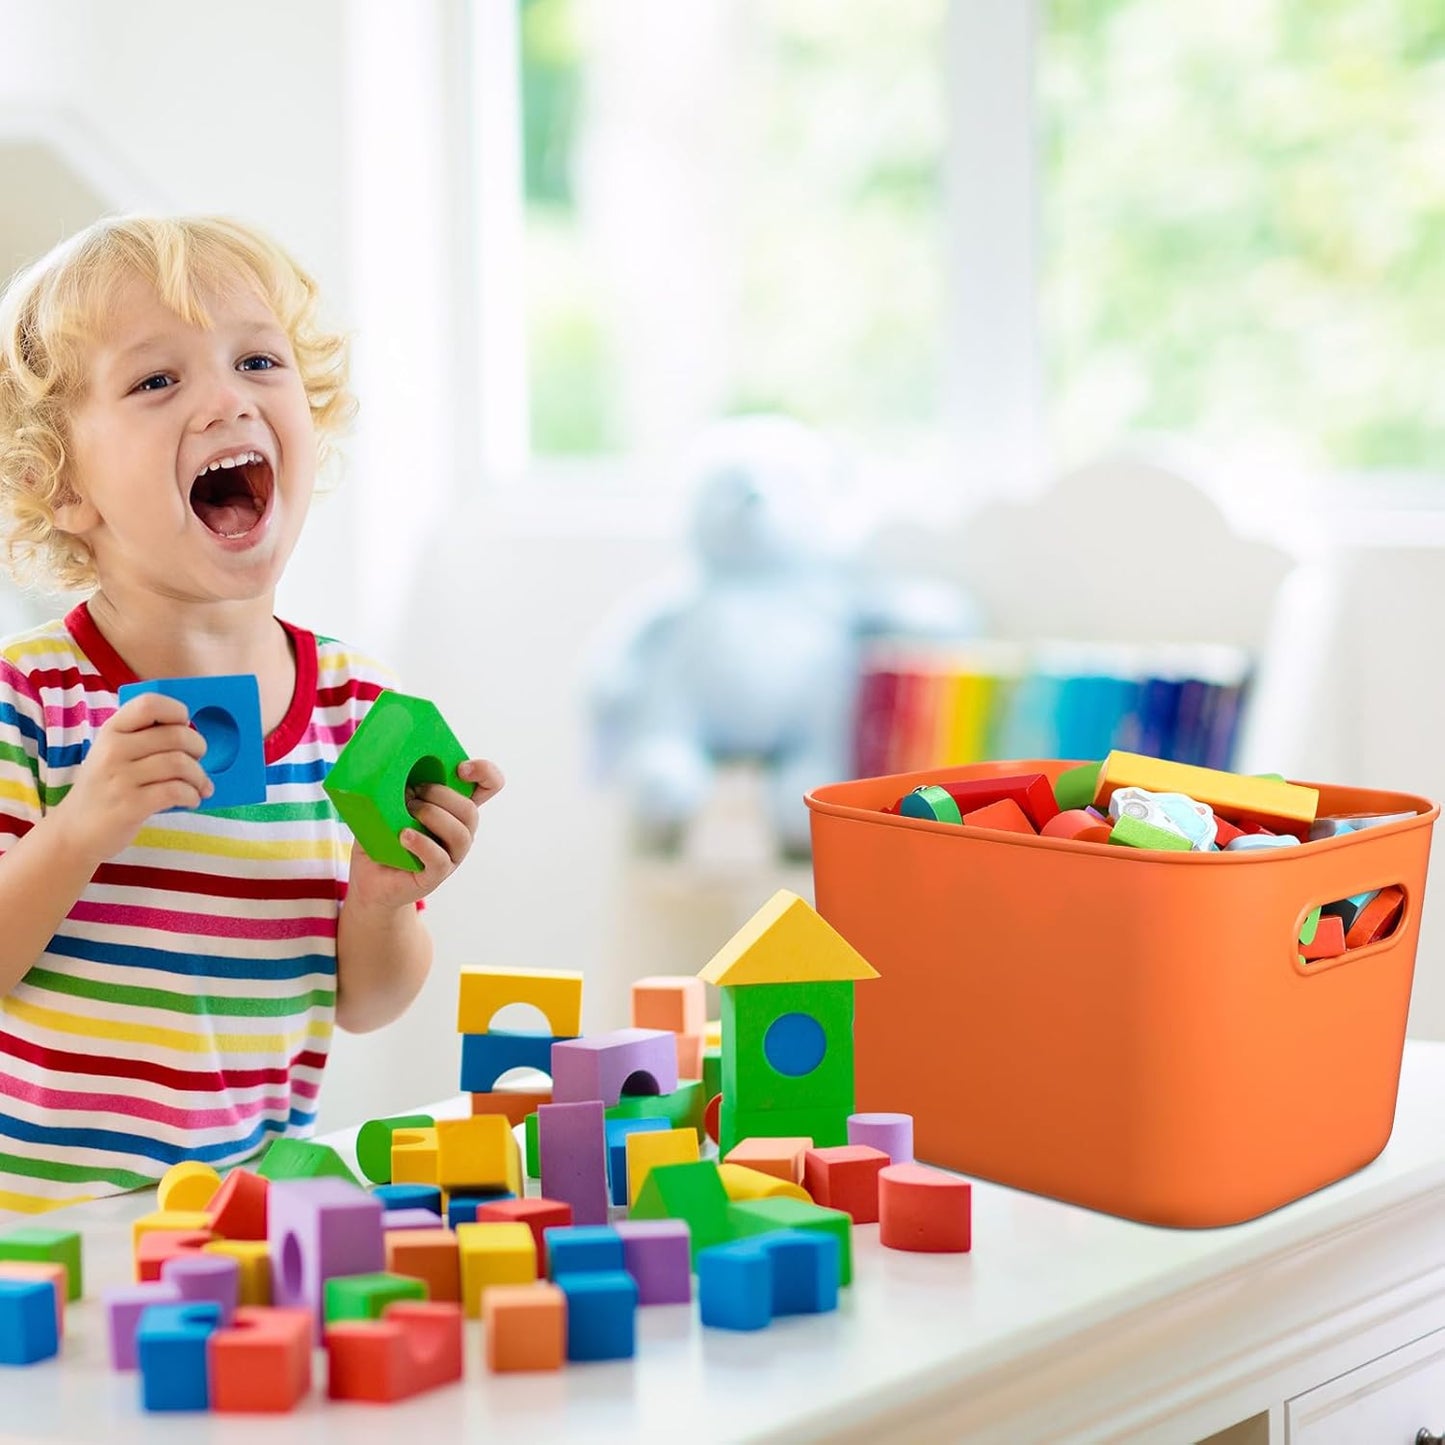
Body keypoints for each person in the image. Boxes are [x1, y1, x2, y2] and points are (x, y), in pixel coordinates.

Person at [0, 215, 503, 1213]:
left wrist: (380, 900)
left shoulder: (357, 708)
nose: (227, 398)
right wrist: (80, 829)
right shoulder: (30, 700)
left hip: (248, 1223)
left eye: (258, 361)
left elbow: (366, 1003)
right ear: (59, 484)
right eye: (157, 380)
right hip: (41, 1236)